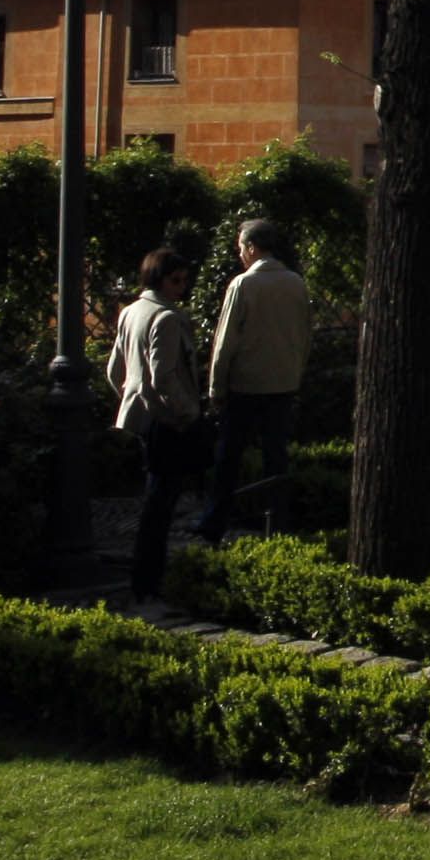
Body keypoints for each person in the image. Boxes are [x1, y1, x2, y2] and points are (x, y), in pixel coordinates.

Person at [195, 218, 312, 540]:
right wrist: (295, 372)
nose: (240, 255)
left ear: (251, 247)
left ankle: (214, 523)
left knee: (228, 458)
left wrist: (216, 387)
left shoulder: (243, 285)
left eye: (241, 249)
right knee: (277, 458)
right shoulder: (296, 283)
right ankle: (278, 524)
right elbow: (304, 335)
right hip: (284, 382)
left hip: (245, 384)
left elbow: (225, 341)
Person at [108, 242, 211, 601]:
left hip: (141, 416)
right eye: (176, 280)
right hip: (167, 419)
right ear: (160, 280)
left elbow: (115, 370)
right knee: (160, 503)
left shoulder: (131, 312)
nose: (181, 288)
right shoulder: (166, 318)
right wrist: (187, 411)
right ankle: (149, 578)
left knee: (156, 499)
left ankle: (145, 575)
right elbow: (164, 375)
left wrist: (128, 397)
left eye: (184, 281)